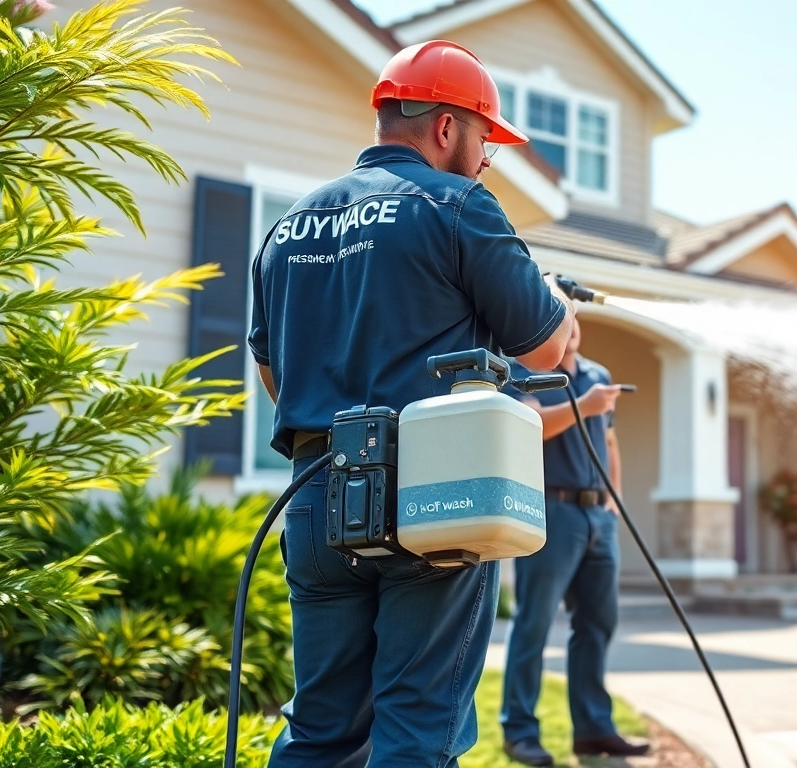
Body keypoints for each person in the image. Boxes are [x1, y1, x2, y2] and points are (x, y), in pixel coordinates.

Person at [248, 40, 576, 768]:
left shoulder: (289, 224)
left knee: (321, 729)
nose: (488, 156)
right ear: (448, 127)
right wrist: (559, 303)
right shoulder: (459, 205)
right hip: (435, 495)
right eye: (487, 137)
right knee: (416, 730)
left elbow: (274, 371)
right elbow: (548, 349)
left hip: (315, 496)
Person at [500, 319, 649, 766]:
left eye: (575, 319)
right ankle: (520, 732)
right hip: (551, 513)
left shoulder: (598, 376)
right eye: (561, 318)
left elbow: (609, 440)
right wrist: (584, 405)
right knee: (535, 625)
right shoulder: (522, 372)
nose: (573, 327)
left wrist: (613, 500)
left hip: (596, 517)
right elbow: (532, 427)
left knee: (597, 624)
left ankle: (593, 729)